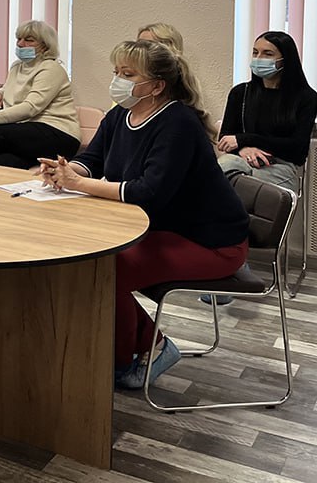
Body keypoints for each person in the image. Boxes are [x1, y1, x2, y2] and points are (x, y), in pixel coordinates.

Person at [40, 40, 249, 389]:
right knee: (92, 266)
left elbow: (149, 192)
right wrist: (66, 170)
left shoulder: (178, 123)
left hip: (212, 242)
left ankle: (135, 355)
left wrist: (78, 184)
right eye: (116, 72)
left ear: (156, 86)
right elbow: (93, 159)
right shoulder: (120, 115)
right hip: (165, 231)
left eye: (128, 74)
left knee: (106, 272)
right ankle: (145, 344)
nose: (117, 80)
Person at [217, 31, 317, 193]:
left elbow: (297, 149)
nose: (259, 58)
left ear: (285, 60)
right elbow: (225, 138)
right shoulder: (240, 93)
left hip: (280, 167)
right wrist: (243, 149)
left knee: (256, 195)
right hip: (241, 160)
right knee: (219, 171)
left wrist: (246, 140)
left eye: (268, 54)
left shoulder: (306, 97)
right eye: (255, 52)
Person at [0, 20, 80, 169]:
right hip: (27, 130)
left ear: (45, 45)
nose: (20, 44)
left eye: (29, 40)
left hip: (58, 133)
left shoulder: (51, 69)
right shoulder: (17, 66)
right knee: (4, 161)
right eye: (19, 39)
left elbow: (31, 107)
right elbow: (10, 88)